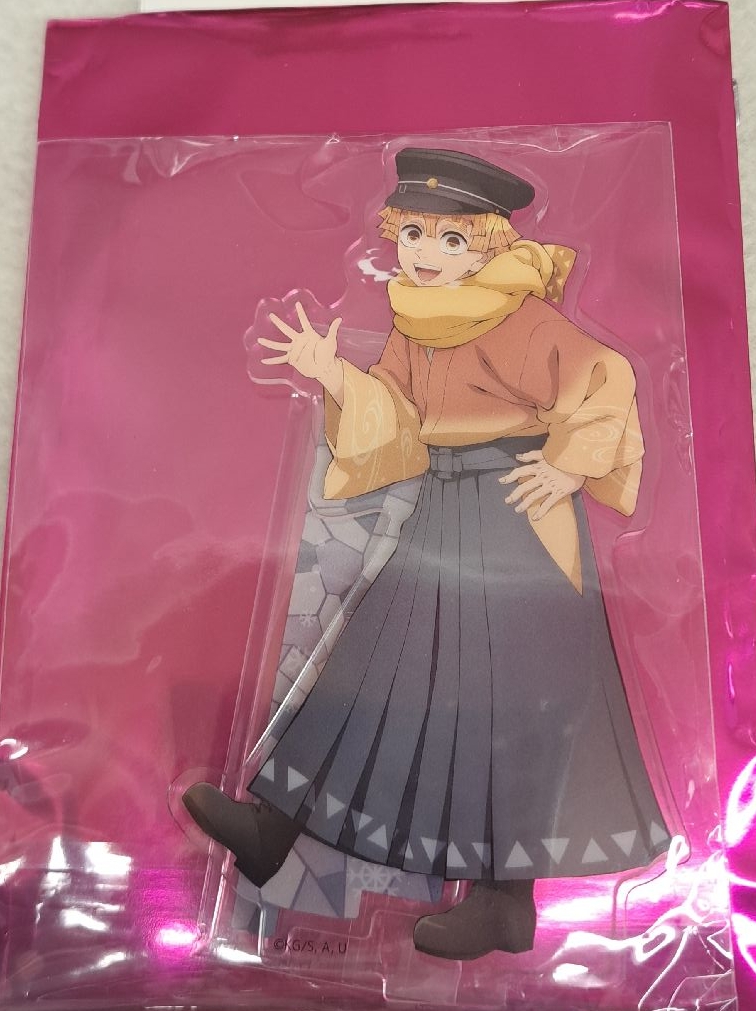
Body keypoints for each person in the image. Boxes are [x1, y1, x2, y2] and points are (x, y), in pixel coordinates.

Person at [183, 147, 671, 961]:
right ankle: (273, 829)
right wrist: (334, 376)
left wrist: (567, 463)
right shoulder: (417, 323)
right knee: (370, 662)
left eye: (452, 239)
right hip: (440, 512)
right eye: (413, 232)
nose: (426, 252)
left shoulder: (524, 321)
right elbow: (396, 423)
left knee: (510, 699)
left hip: (515, 518)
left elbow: (606, 377)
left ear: (489, 245)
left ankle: (505, 899)